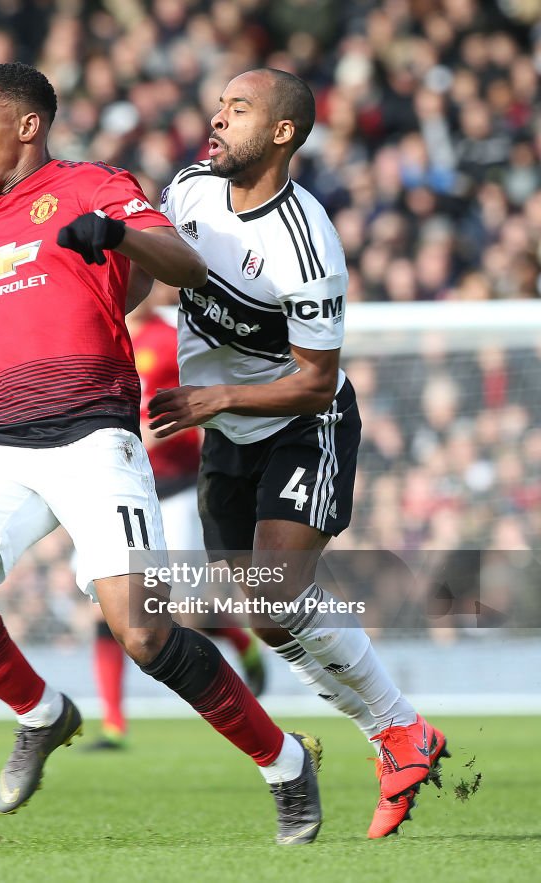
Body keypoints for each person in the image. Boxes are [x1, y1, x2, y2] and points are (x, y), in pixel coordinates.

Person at [0, 62, 323, 845]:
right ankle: (41, 713)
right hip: (2, 440)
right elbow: (13, 352)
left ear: (27, 124)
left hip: (92, 438)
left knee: (145, 634)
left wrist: (119, 233)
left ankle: (285, 763)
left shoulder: (93, 184)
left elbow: (186, 265)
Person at [151, 68, 449, 839]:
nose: (216, 118)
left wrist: (214, 398)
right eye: (216, 104)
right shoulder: (188, 189)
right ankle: (402, 732)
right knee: (262, 615)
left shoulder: (307, 244)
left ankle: (394, 728)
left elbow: (316, 385)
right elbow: (146, 281)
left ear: (282, 133)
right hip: (224, 437)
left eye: (238, 109)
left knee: (276, 594)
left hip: (299, 425)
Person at [88, 298, 266, 750]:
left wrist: (164, 427)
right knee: (105, 607)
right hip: (113, 487)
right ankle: (113, 724)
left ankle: (239, 641)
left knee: (183, 613)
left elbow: (207, 409)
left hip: (176, 489)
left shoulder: (171, 339)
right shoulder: (92, 335)